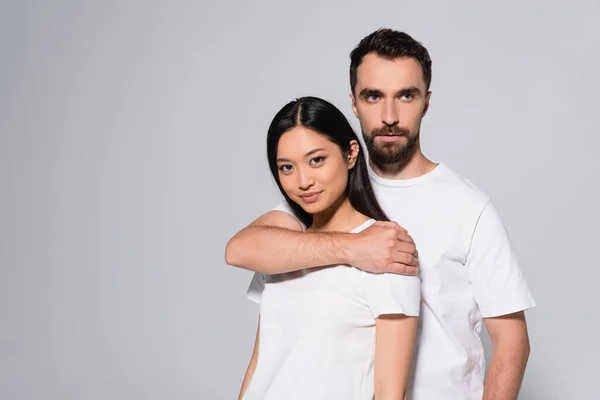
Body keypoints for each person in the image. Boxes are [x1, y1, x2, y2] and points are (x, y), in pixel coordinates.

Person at [226, 29, 536, 400]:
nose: (389, 116)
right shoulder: (326, 194)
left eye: (406, 95)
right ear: (354, 104)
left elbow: (512, 344)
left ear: (426, 102)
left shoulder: (468, 208)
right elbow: (243, 250)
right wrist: (355, 248)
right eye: (373, 96)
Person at [237, 96, 421, 400]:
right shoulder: (285, 249)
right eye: (286, 167)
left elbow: (391, 393)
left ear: (350, 154)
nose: (303, 181)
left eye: (316, 160)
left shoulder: (388, 251)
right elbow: (261, 363)